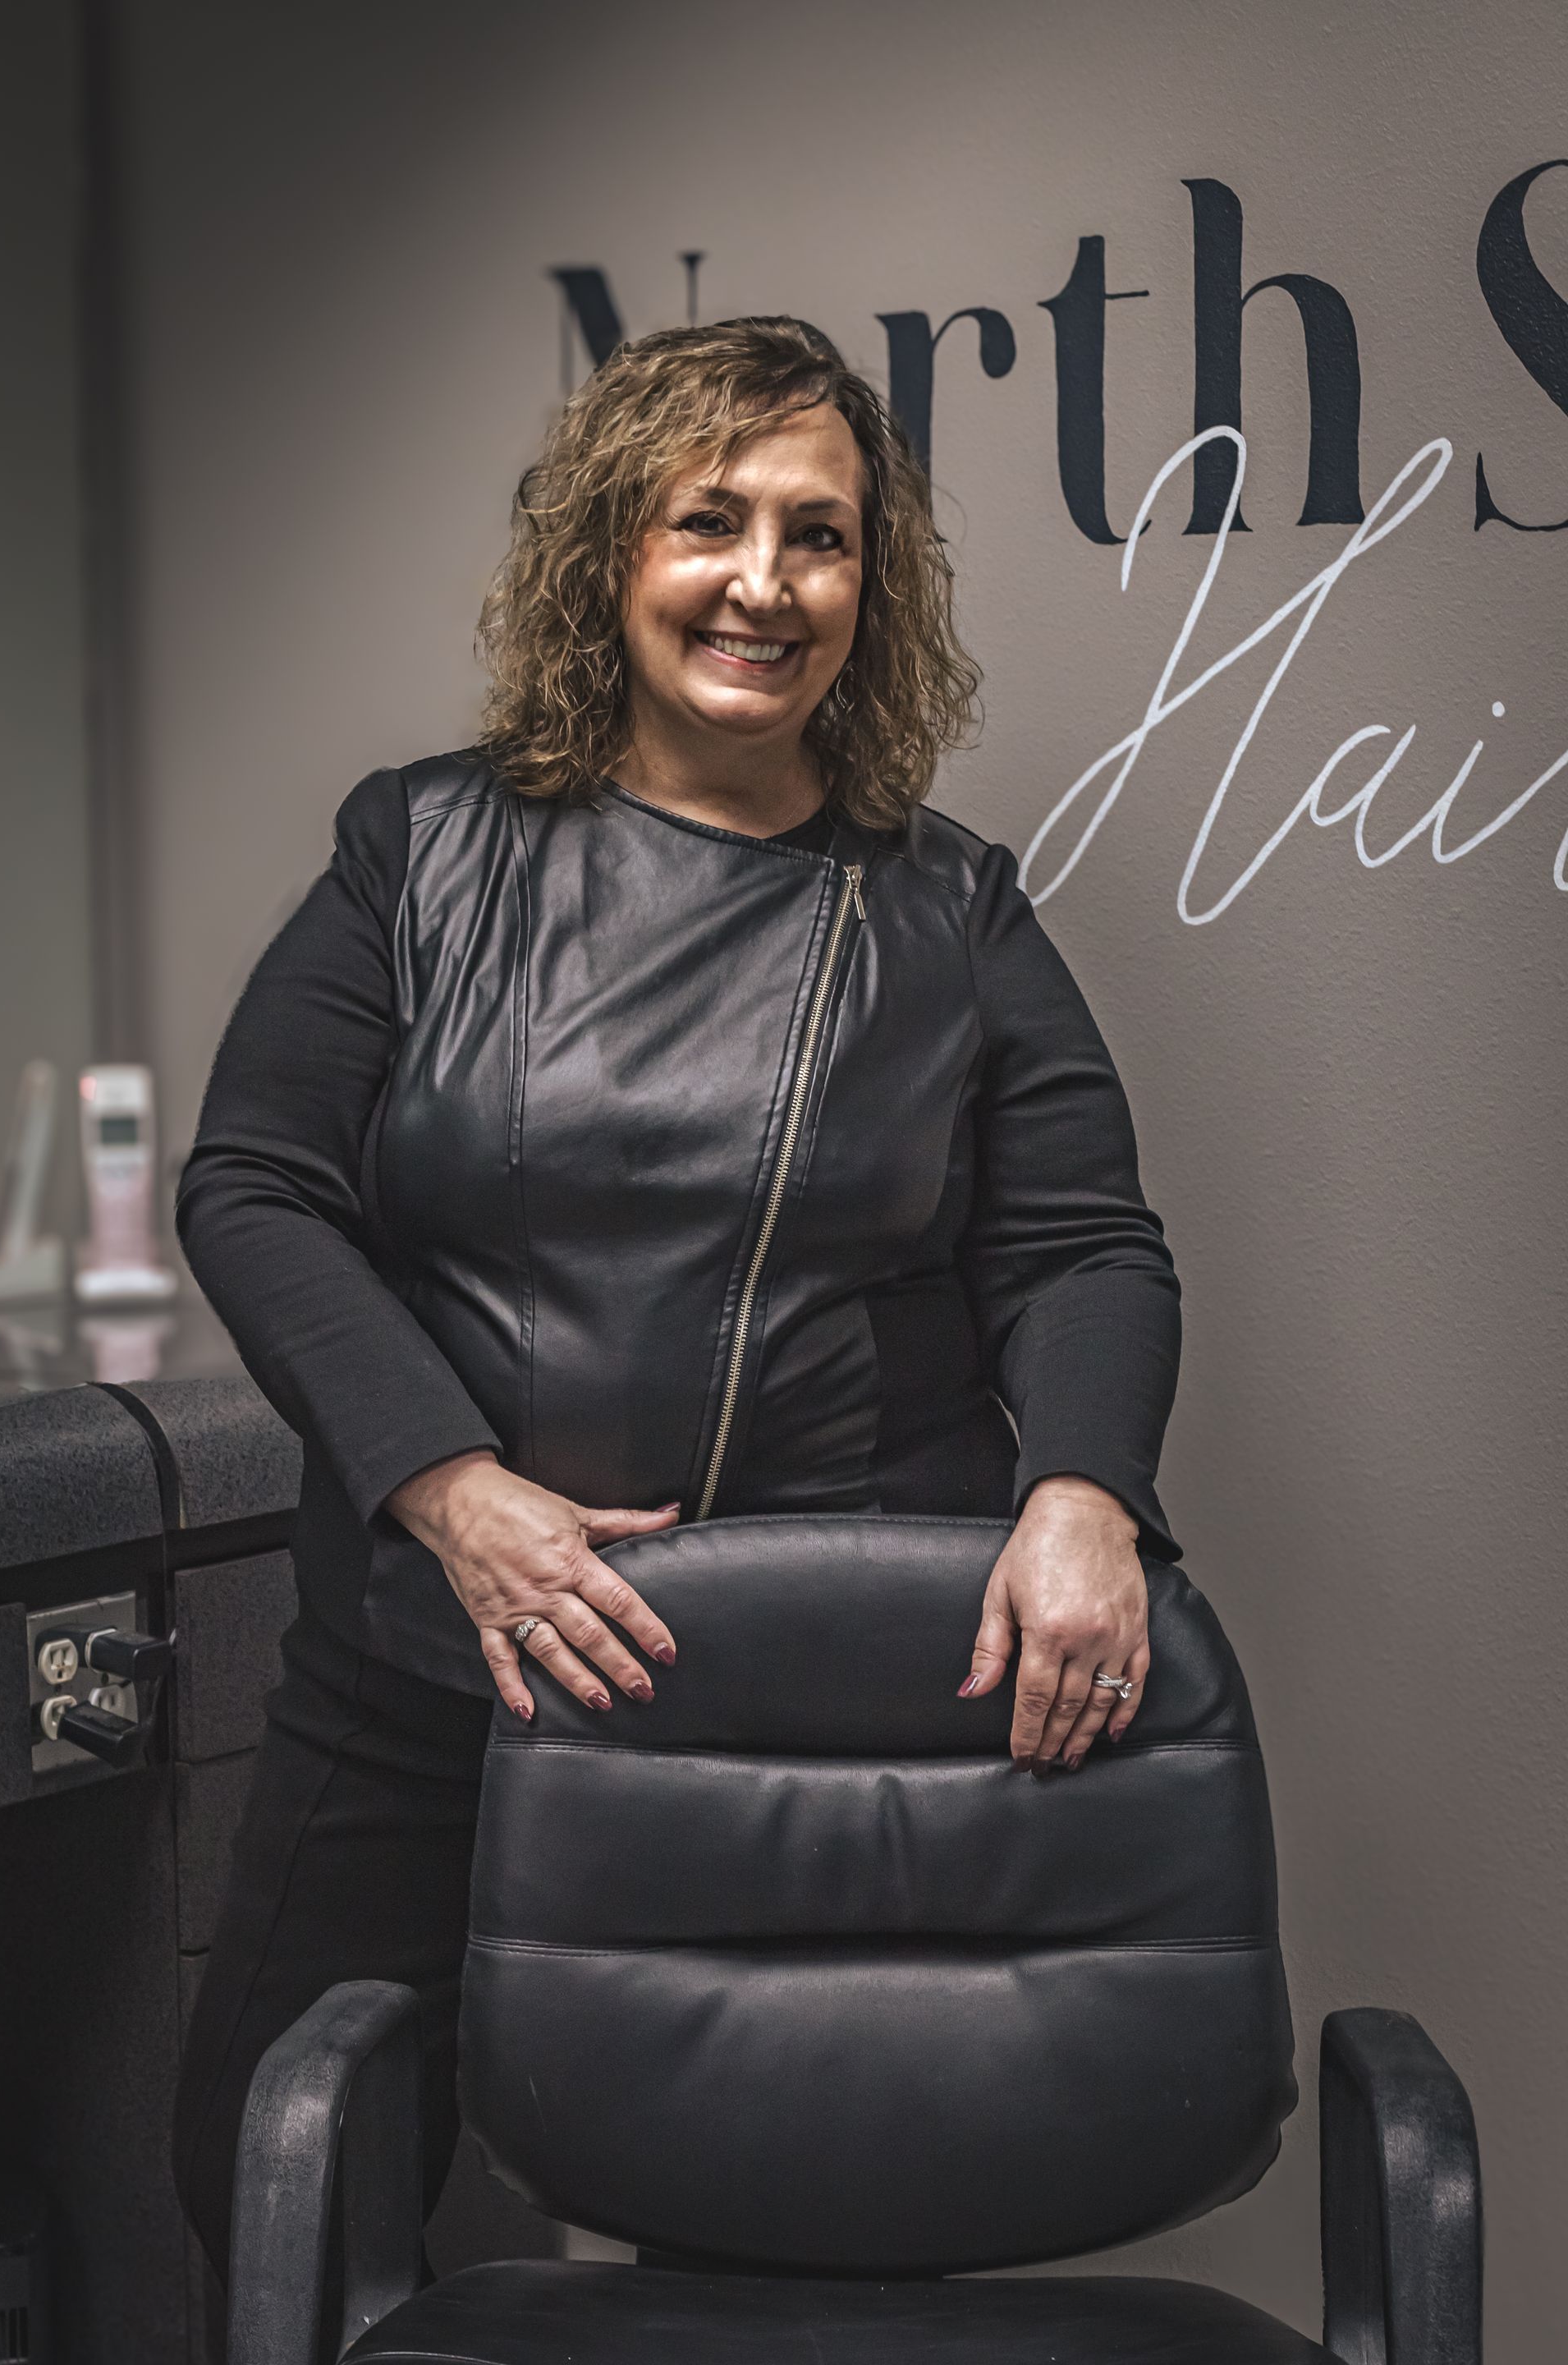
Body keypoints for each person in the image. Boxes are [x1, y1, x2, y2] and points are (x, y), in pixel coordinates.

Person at [171, 315, 1182, 2286]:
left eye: (820, 537)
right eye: (708, 522)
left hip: (796, 1705)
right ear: (607, 555)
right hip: (430, 1672)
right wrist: (454, 1495)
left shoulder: (950, 910)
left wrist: (1088, 1494)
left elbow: (1081, 1247)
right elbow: (261, 1184)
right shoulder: (419, 848)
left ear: (869, 594)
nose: (763, 582)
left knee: (786, 2238)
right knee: (275, 2192)